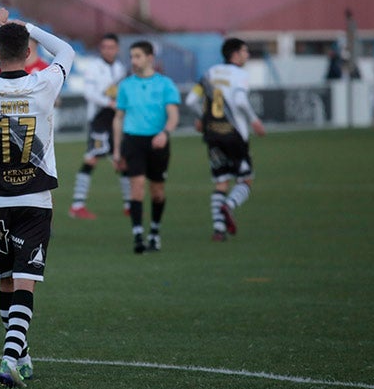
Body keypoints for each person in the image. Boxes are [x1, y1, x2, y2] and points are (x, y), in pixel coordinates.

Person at [0, 6, 74, 388]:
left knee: (6, 281)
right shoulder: (44, 84)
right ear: (29, 53)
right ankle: (12, 357)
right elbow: (67, 53)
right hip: (35, 200)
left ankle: (19, 355)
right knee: (25, 281)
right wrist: (30, 26)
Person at [184, 37, 266, 242]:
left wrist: (202, 119)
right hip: (234, 134)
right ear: (235, 54)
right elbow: (239, 101)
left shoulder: (209, 73)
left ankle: (218, 231)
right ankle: (228, 207)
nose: (247, 55)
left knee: (221, 181)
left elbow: (190, 100)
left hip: (212, 134)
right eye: (245, 52)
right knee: (245, 179)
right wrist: (254, 120)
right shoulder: (240, 75)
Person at [112, 40, 180, 254]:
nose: (134, 60)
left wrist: (165, 133)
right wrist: (116, 149)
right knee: (137, 186)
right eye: (132, 56)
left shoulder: (165, 84)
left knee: (157, 191)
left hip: (158, 141)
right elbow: (118, 118)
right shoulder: (125, 85)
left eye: (138, 56)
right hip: (133, 141)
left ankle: (154, 233)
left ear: (150, 58)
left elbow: (173, 115)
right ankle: (138, 237)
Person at [68, 33, 130, 219]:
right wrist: (108, 103)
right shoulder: (94, 67)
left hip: (116, 119)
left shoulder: (120, 68)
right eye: (105, 47)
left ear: (117, 49)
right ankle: (77, 205)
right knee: (92, 158)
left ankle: (130, 204)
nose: (108, 51)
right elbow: (89, 93)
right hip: (99, 120)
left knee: (121, 160)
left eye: (111, 47)